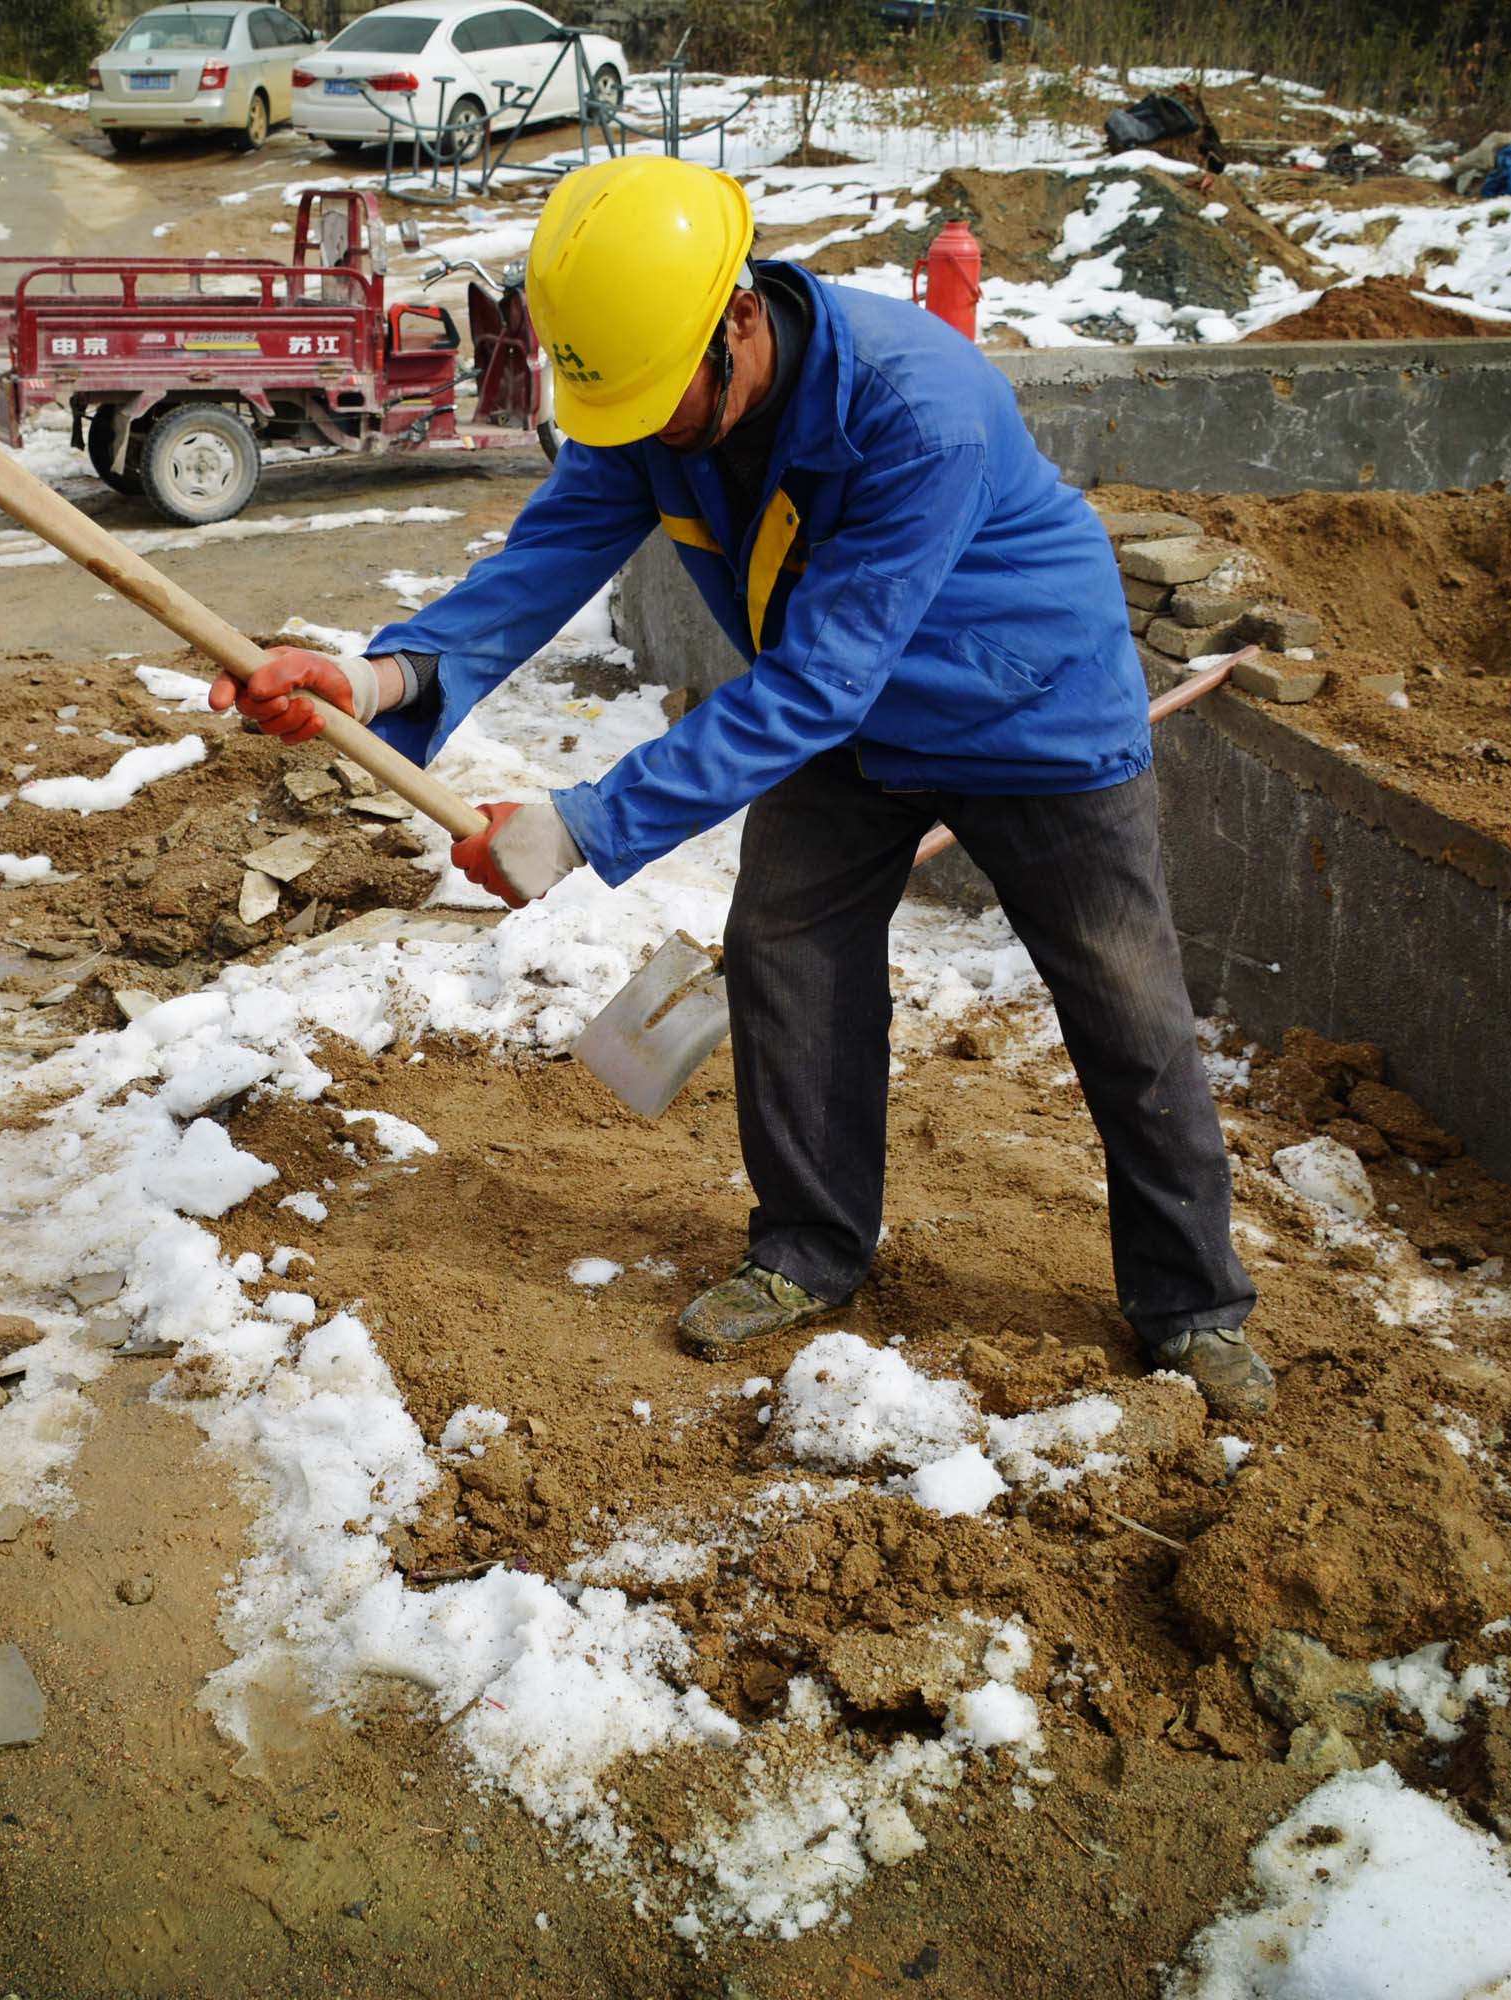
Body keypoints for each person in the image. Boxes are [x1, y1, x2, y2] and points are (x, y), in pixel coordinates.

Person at [207, 155, 1268, 1415]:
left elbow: (818, 681)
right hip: (847, 718)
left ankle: (1191, 1300)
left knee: (1123, 1002)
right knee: (785, 949)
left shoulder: (911, 406)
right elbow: (539, 565)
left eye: (665, 404)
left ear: (743, 317)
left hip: (1028, 707)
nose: (648, 437)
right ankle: (811, 1253)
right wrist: (372, 682)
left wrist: (582, 825)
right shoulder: (655, 398)